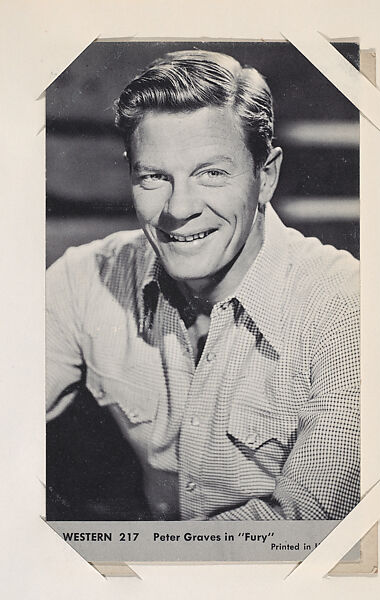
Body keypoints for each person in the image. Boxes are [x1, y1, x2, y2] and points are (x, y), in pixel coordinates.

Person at [46, 49, 360, 521]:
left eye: (211, 173)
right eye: (154, 177)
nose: (179, 209)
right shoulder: (86, 277)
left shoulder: (347, 307)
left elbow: (306, 524)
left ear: (266, 176)